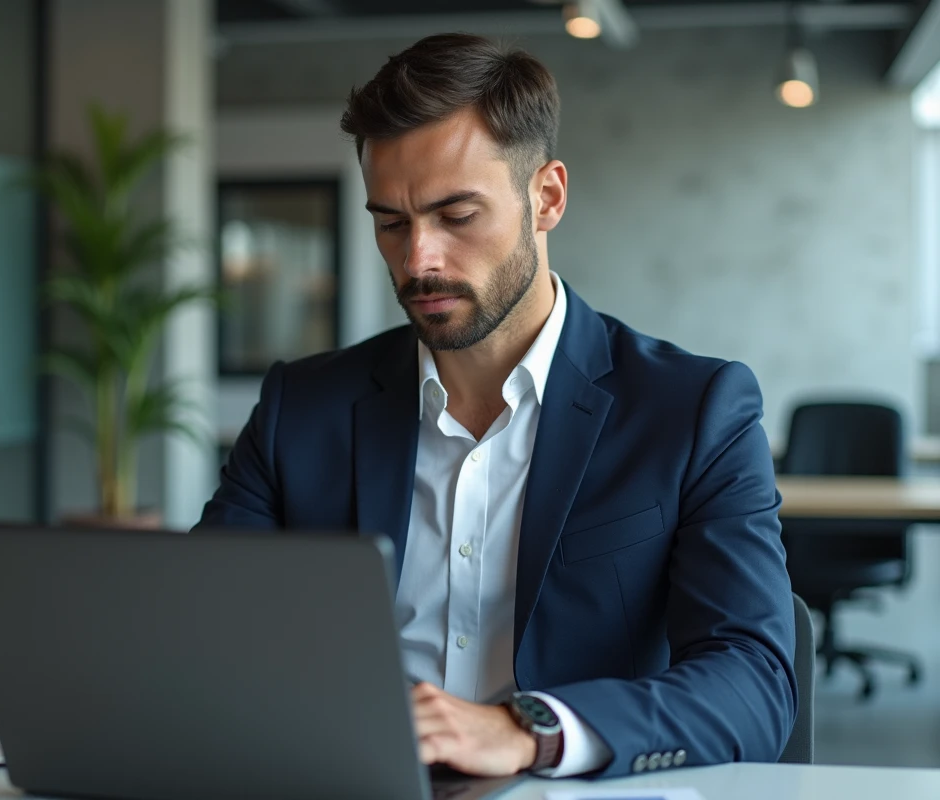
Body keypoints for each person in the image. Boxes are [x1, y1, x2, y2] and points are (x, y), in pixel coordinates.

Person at [196, 32, 796, 780]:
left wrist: (525, 732)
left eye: (456, 215)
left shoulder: (693, 410)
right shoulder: (302, 408)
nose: (419, 261)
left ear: (546, 197)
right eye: (391, 222)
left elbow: (753, 681)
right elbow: (205, 636)